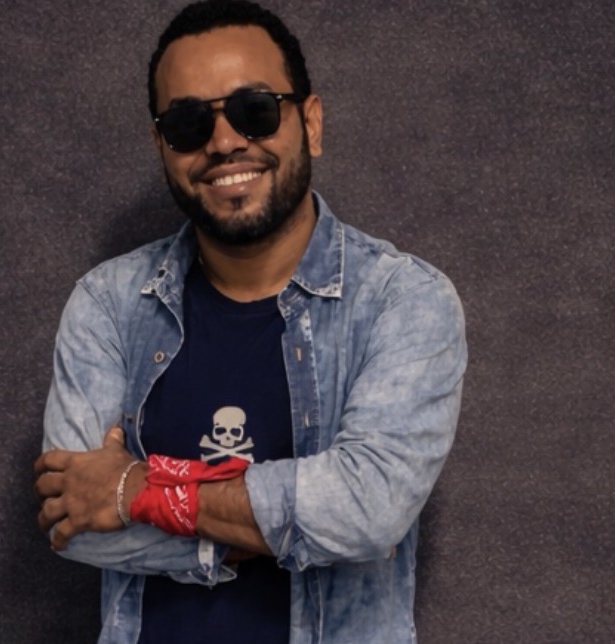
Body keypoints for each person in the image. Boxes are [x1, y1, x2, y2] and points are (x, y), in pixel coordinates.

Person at [33, 1, 468, 642]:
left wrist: (136, 491)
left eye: (255, 110)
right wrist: (276, 524)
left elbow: (369, 508)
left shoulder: (403, 301)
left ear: (310, 123)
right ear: (161, 146)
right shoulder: (108, 304)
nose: (223, 142)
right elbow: (74, 521)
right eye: (188, 123)